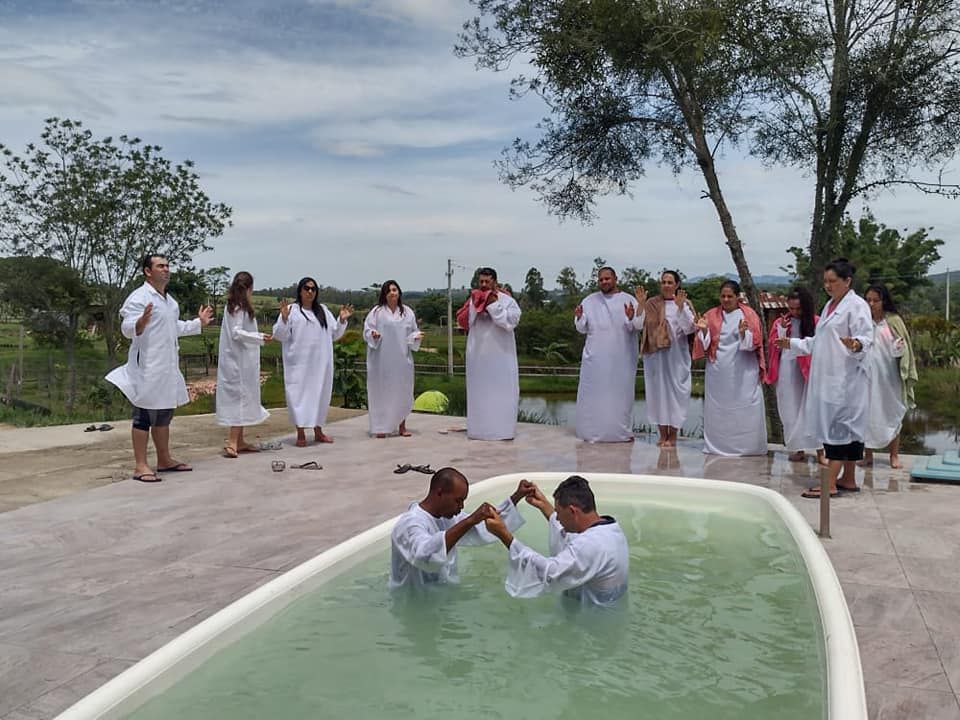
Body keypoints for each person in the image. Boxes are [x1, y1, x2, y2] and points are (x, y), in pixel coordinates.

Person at [105, 253, 213, 482]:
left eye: (167, 265)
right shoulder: (139, 297)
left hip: (167, 366)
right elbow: (126, 327)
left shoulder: (170, 302)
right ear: (147, 271)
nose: (166, 269)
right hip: (146, 366)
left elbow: (174, 328)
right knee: (143, 415)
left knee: (164, 413)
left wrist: (198, 323)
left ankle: (164, 459)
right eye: (160, 266)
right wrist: (140, 322)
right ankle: (140, 465)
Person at [775, 258, 873, 497]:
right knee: (844, 429)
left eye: (833, 281)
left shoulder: (856, 305)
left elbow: (866, 337)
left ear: (847, 281)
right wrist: (792, 343)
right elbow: (819, 342)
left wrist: (856, 343)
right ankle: (847, 479)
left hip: (847, 379)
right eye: (825, 282)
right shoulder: (830, 305)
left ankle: (829, 483)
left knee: (839, 430)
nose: (828, 286)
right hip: (829, 378)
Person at [484, 475, 629, 607]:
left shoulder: (590, 545)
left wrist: (504, 535)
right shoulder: (609, 529)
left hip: (592, 621)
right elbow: (572, 540)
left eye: (558, 512)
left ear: (573, 511)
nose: (557, 518)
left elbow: (550, 574)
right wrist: (544, 506)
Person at [390, 467, 534, 589]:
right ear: (439, 493)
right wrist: (470, 521)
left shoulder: (448, 517)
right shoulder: (410, 524)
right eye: (458, 501)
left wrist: (516, 497)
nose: (461, 507)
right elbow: (425, 556)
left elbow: (483, 527)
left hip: (440, 596)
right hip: (412, 602)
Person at [272, 277, 352, 447]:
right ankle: (300, 432)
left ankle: (318, 431)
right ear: (300, 291)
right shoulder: (291, 310)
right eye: (307, 288)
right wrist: (284, 319)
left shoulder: (322, 310)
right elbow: (280, 336)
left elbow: (335, 334)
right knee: (298, 397)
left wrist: (342, 320)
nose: (310, 292)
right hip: (298, 364)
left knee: (320, 396)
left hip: (320, 364)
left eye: (313, 289)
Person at [693, 280, 767, 456]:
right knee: (719, 409)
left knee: (746, 406)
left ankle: (748, 446)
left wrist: (743, 333)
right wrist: (703, 331)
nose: (726, 299)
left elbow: (753, 345)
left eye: (730, 296)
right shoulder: (711, 315)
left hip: (744, 370)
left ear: (737, 297)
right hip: (718, 370)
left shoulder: (749, 315)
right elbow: (705, 345)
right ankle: (717, 446)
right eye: (723, 296)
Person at [573, 267, 647, 442]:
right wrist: (579, 317)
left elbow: (638, 325)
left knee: (620, 397)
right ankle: (590, 431)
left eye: (607, 278)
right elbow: (581, 328)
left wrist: (631, 317)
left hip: (621, 358)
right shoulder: (590, 301)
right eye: (601, 279)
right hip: (595, 358)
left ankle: (620, 433)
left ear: (615, 279)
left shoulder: (629, 299)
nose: (604, 282)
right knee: (593, 395)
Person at [456, 267, 522, 440]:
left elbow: (509, 323)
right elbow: (467, 322)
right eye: (481, 282)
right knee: (479, 393)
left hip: (501, 356)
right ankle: (478, 430)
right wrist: (478, 304)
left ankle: (502, 431)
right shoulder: (473, 300)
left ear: (494, 282)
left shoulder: (507, 301)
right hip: (478, 355)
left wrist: (492, 304)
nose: (484, 285)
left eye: (487, 281)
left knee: (501, 393)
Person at [216, 271, 272, 458]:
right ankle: (232, 441)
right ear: (249, 288)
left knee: (243, 397)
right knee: (238, 399)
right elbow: (236, 333)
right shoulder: (237, 307)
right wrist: (259, 337)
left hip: (241, 361)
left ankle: (239, 441)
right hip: (236, 362)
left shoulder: (235, 305)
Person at [862, 284, 917, 469]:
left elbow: (904, 350)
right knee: (867, 414)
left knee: (892, 412)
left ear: (884, 301)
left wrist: (899, 348)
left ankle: (894, 456)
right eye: (868, 300)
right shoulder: (863, 320)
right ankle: (867, 455)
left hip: (890, 376)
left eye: (875, 300)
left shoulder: (894, 321)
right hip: (867, 376)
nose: (871, 304)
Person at [765, 287, 823, 463]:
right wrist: (782, 331)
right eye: (791, 308)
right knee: (789, 410)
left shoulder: (817, 322)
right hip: (787, 370)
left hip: (809, 371)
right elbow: (775, 345)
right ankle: (797, 448)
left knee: (812, 410)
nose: (794, 312)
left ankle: (821, 451)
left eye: (798, 309)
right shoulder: (780, 322)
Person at [640, 270, 696, 447]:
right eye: (663, 282)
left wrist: (680, 308)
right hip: (655, 357)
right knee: (658, 394)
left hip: (676, 357)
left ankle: (673, 435)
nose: (666, 285)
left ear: (677, 285)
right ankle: (662, 434)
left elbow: (689, 329)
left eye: (670, 282)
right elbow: (637, 324)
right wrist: (640, 305)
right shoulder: (651, 304)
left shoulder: (684, 304)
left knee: (676, 395)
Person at [363, 280, 423, 438]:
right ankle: (381, 427)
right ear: (384, 294)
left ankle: (402, 426)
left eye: (395, 289)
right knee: (381, 393)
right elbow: (368, 330)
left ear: (399, 292)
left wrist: (416, 336)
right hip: (381, 360)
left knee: (401, 391)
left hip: (401, 359)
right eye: (388, 290)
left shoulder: (407, 312)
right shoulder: (376, 312)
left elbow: (413, 332)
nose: (392, 293)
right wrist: (373, 334)